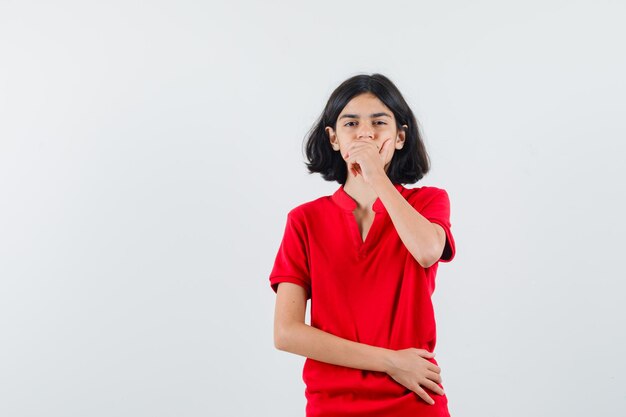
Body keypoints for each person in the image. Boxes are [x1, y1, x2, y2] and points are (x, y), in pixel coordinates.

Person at [268, 73, 456, 417]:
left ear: (400, 137)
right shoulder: (304, 220)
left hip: (415, 399)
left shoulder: (429, 202)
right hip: (332, 404)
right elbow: (286, 333)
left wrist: (376, 175)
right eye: (351, 123)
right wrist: (391, 362)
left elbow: (428, 250)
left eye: (379, 122)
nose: (365, 133)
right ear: (334, 138)